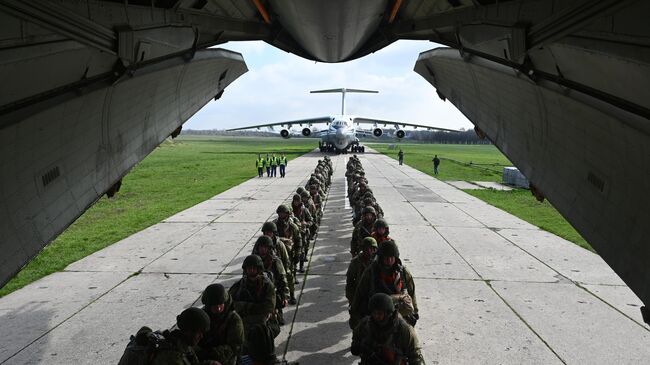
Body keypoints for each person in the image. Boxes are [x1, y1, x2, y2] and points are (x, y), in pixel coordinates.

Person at [349, 240, 418, 329]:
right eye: (386, 258)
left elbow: (412, 293)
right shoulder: (371, 272)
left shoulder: (403, 272)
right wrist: (354, 313)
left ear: (396, 257)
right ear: (381, 258)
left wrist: (415, 311)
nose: (389, 260)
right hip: (376, 313)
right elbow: (360, 293)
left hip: (397, 313)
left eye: (391, 258)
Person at [229, 255, 278, 364]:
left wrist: (246, 307)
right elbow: (230, 303)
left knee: (264, 348)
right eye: (249, 268)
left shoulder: (267, 285)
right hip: (245, 324)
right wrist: (250, 307)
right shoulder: (240, 285)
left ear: (259, 269)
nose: (251, 270)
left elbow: (268, 307)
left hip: (263, 323)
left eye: (254, 268)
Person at [350, 293, 424, 365]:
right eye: (374, 313)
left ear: (388, 313)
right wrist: (357, 345)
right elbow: (356, 336)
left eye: (379, 313)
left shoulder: (403, 329)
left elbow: (415, 356)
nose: (376, 316)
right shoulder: (365, 324)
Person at [197, 284, 244, 365]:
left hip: (226, 357)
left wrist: (211, 353)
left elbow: (235, 346)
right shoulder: (202, 317)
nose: (218, 308)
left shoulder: (233, 319)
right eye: (215, 305)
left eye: (220, 304)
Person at [252, 235, 289, 325]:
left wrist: (284, 295)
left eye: (265, 247)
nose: (263, 250)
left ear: (269, 248)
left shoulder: (276, 261)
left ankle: (278, 315)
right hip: (257, 288)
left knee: (276, 303)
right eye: (261, 247)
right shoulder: (253, 260)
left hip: (273, 288)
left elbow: (282, 279)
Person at [345, 237, 378, 304]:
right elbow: (350, 281)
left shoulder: (378, 262)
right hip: (360, 293)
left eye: (371, 249)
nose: (369, 251)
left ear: (375, 249)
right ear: (363, 249)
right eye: (366, 249)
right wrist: (351, 298)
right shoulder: (356, 262)